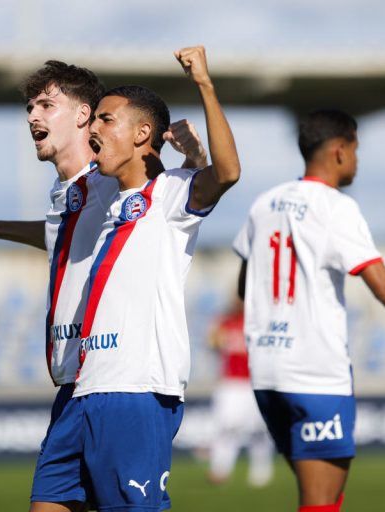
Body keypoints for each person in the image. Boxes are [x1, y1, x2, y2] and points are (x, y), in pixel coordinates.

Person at [0, 60, 207, 512]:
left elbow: (162, 192)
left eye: (46, 105)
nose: (33, 116)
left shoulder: (110, 176)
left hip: (116, 379)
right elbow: (61, 237)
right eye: (30, 107)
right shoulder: (69, 190)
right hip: (76, 385)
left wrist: (195, 161)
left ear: (84, 115)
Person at [232, 109, 385, 512]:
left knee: (325, 498)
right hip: (315, 375)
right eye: (356, 150)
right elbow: (384, 286)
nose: (358, 161)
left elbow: (245, 286)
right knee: (320, 504)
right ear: (340, 151)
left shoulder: (264, 204)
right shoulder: (335, 207)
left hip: (268, 373)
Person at [32, 45, 240, 512]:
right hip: (81, 389)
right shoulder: (105, 200)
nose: (94, 128)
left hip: (134, 390)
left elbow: (227, 173)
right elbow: (56, 231)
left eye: (105, 119)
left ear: (143, 133)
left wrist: (203, 85)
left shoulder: (170, 195)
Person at [206, 297, 274, 487]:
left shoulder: (260, 323)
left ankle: (261, 471)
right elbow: (212, 343)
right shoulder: (226, 322)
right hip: (232, 382)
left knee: (259, 429)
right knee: (227, 426)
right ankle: (220, 469)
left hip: (255, 381)